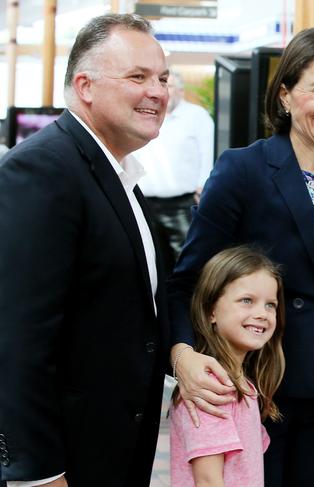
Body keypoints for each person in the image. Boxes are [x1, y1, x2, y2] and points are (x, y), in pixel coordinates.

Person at [167, 28, 314, 486]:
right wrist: (181, 355)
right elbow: (188, 280)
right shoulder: (243, 169)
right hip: (258, 388)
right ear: (285, 95)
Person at [0, 14, 169, 486]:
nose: (156, 92)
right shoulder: (43, 171)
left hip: (113, 449)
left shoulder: (118, 175)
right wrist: (36, 474)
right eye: (137, 77)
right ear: (85, 86)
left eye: (162, 78)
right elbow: (16, 341)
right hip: (62, 463)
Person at [170, 246, 285, 486]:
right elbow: (209, 481)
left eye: (270, 305)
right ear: (211, 310)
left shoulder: (243, 384)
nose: (262, 314)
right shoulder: (211, 387)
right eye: (247, 301)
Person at [133, 70, 215, 275]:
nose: (163, 92)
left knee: (187, 261)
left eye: (167, 86)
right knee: (148, 261)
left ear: (180, 90)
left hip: (182, 203)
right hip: (144, 202)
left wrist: (203, 184)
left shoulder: (197, 116)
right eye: (160, 86)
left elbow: (208, 152)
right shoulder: (144, 113)